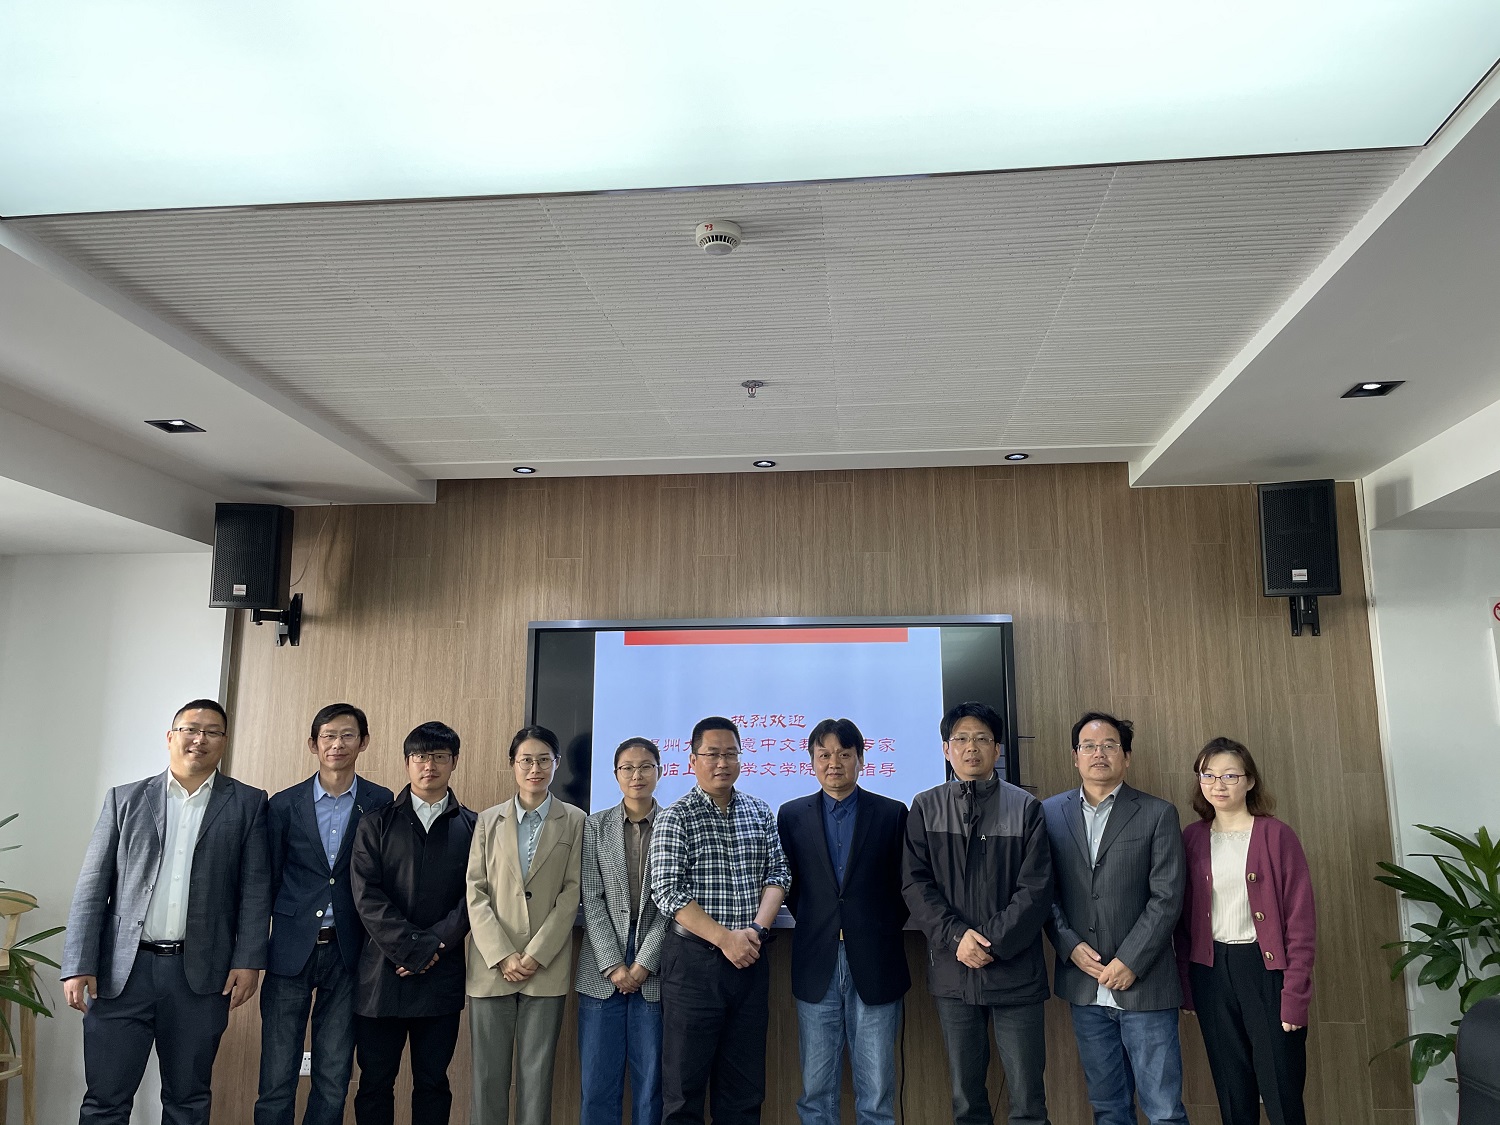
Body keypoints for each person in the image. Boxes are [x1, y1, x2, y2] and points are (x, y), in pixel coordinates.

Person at [61, 698, 271, 1125]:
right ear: (171, 736)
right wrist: (78, 963)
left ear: (224, 741)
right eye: (191, 729)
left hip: (201, 976)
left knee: (188, 1100)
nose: (200, 739)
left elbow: (255, 889)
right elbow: (92, 885)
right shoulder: (125, 798)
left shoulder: (248, 803)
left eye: (212, 731)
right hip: (122, 973)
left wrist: (248, 960)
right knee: (105, 1099)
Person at [902, 700, 1053, 1125]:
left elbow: (1036, 889)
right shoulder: (925, 806)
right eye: (962, 739)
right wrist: (957, 938)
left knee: (1028, 1101)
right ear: (946, 749)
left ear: (997, 749)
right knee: (966, 1102)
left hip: (1016, 972)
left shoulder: (1026, 808)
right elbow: (915, 884)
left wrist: (989, 942)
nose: (972, 747)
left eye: (982, 739)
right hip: (954, 972)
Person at [1041, 711, 1188, 1125]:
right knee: (1108, 1109)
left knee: (1164, 1111)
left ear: (1126, 756)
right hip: (1085, 986)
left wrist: (1130, 961)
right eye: (1088, 746)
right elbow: (1043, 893)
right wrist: (1069, 947)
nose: (1099, 753)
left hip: (1145, 986)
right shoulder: (1049, 813)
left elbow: (1167, 897)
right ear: (1075, 756)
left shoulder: (1158, 813)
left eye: (1109, 745)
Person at [649, 715, 793, 1125]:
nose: (722, 763)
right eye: (712, 754)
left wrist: (756, 930)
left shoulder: (759, 811)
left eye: (731, 754)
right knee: (684, 1091)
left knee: (744, 1091)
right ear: (692, 760)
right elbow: (668, 891)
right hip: (693, 964)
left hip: (750, 959)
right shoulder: (675, 816)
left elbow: (778, 874)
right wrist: (725, 939)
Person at [256, 703, 394, 1125]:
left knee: (334, 1075)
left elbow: (382, 877)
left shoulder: (380, 801)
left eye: (347, 735)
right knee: (276, 1074)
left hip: (349, 953)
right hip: (289, 950)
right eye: (328, 736)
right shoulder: (283, 804)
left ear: (363, 742)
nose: (337, 744)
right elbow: (268, 878)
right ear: (313, 744)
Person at [1176, 737, 1316, 1125]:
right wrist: (1187, 984)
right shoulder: (1191, 837)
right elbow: (1182, 922)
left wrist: (1295, 995)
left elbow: (1301, 924)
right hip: (1210, 973)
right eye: (1208, 775)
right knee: (1232, 1092)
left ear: (1250, 781)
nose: (1218, 784)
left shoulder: (1276, 835)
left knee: (1282, 1090)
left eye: (1230, 775)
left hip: (1265, 972)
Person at [778, 717, 910, 1125]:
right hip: (816, 959)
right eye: (824, 755)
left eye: (844, 754)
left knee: (877, 1091)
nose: (833, 763)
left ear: (861, 759)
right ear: (812, 761)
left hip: (876, 958)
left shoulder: (891, 813)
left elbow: (905, 886)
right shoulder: (791, 815)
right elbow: (788, 885)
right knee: (816, 1091)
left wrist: (872, 926)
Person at [349, 721, 476, 1125]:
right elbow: (366, 894)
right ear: (407, 762)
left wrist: (432, 946)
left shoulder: (474, 827)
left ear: (454, 762)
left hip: (441, 975)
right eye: (420, 756)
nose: (429, 766)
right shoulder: (376, 821)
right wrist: (411, 948)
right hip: (382, 975)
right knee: (374, 1083)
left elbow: (475, 897)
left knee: (433, 1083)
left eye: (439, 757)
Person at [467, 724, 586, 1125]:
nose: (535, 769)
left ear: (556, 763)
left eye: (544, 760)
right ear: (512, 764)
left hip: (545, 966)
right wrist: (502, 954)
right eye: (526, 761)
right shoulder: (488, 820)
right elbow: (475, 891)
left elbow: (572, 892)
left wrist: (535, 954)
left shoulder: (575, 820)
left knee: (537, 1078)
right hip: (491, 966)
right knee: (487, 1078)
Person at [576, 737, 670, 1125]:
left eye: (646, 766)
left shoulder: (674, 823)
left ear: (660, 771)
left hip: (656, 965)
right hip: (602, 966)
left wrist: (644, 962)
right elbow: (591, 897)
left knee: (652, 1083)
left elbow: (673, 903)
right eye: (627, 768)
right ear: (615, 774)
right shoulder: (594, 826)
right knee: (597, 1082)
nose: (637, 775)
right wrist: (614, 964)